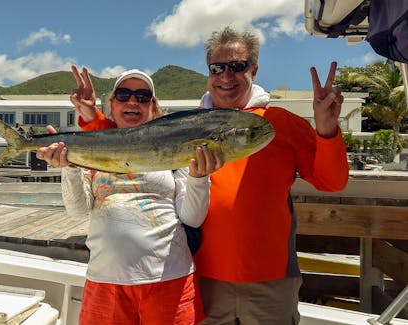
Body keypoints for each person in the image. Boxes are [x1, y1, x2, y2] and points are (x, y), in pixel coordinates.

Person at [60, 25, 350, 324]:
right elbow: (133, 149)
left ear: (254, 69)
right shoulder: (191, 123)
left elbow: (331, 182)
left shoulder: (279, 124)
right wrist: (91, 118)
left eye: (237, 67)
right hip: (202, 276)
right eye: (217, 67)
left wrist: (327, 130)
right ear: (209, 72)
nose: (226, 77)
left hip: (270, 279)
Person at [36, 67, 224, 324]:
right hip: (106, 281)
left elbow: (192, 218)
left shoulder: (178, 147)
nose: (132, 101)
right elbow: (78, 212)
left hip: (170, 279)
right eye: (123, 95)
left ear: (153, 106)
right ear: (111, 104)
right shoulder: (94, 150)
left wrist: (199, 178)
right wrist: (68, 168)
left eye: (142, 96)